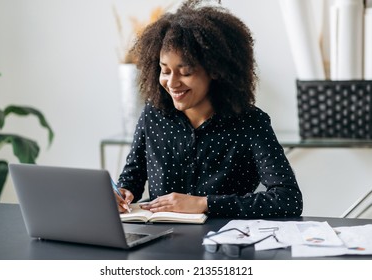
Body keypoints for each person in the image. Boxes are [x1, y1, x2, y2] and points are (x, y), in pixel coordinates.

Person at [115, 0, 303, 218]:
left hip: (224, 244)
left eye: (185, 72)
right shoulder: (153, 114)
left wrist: (205, 204)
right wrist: (123, 193)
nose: (172, 83)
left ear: (215, 70)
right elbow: (132, 178)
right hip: (160, 240)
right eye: (165, 71)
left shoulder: (251, 123)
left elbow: (288, 199)